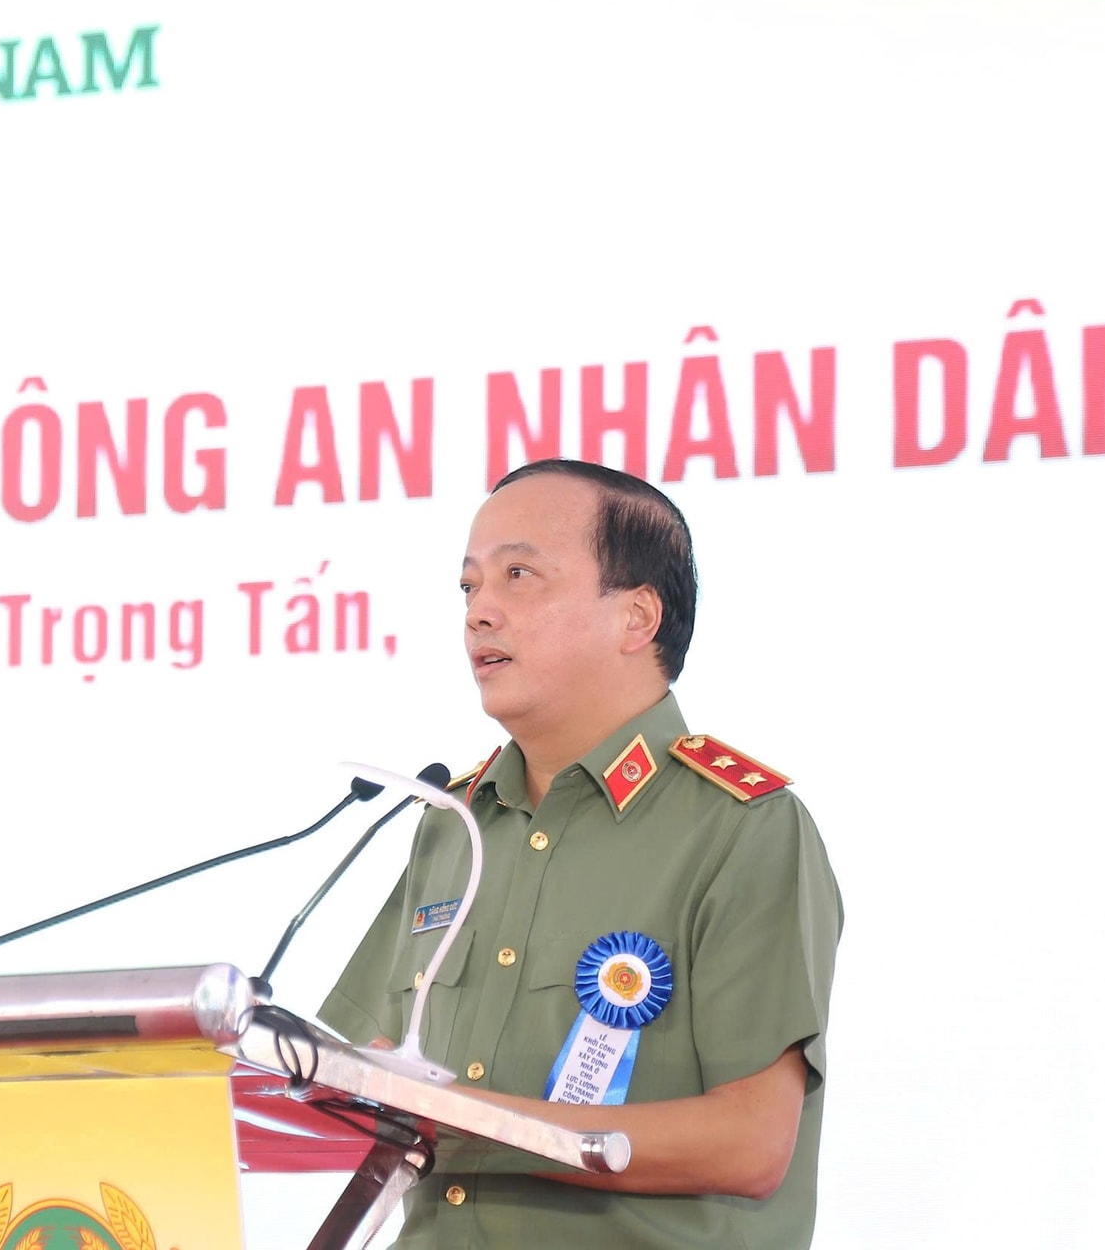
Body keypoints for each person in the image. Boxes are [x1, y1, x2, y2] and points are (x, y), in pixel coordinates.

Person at [319, 459, 843, 1249]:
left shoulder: (742, 828)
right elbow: (363, 1067)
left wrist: (468, 1125)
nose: (479, 614)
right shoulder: (452, 825)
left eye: (518, 575)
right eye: (468, 588)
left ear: (636, 617)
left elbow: (751, 1142)